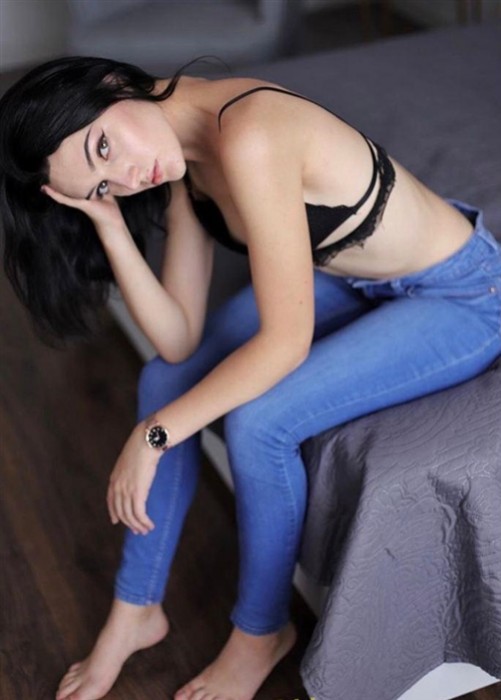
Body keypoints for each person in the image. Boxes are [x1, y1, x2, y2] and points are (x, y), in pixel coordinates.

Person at [1, 53, 501, 700]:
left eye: (103, 147)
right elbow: (179, 341)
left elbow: (283, 345)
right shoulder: (179, 164)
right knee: (164, 382)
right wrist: (109, 224)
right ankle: (135, 609)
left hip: (461, 295)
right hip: (358, 282)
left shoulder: (250, 133)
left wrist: (153, 436)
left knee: (259, 423)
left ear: (113, 84)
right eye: (101, 183)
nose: (124, 177)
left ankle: (260, 633)